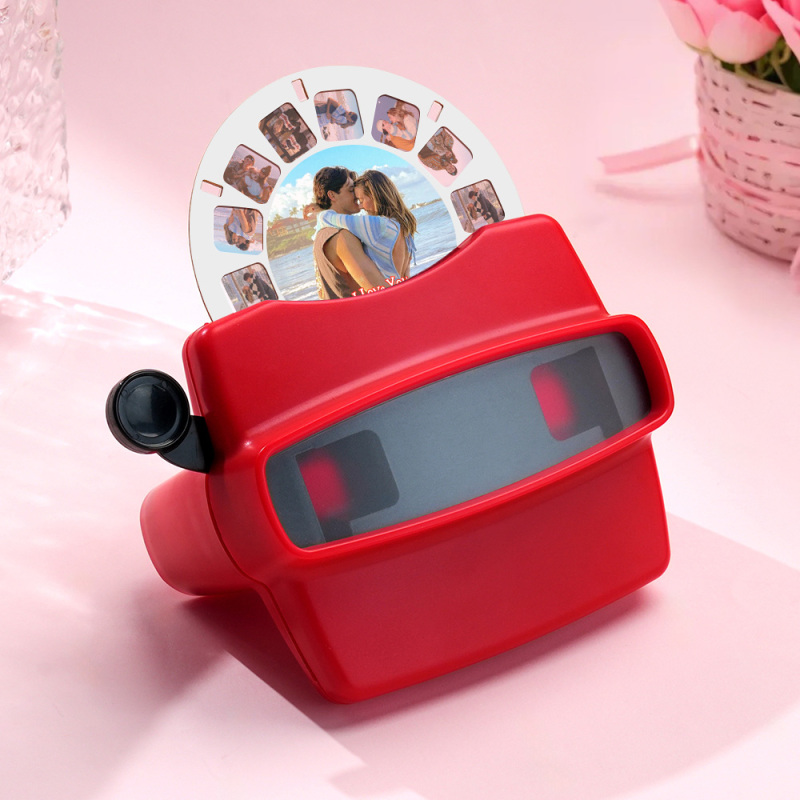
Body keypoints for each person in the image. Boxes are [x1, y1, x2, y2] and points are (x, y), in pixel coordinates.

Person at [315, 169, 416, 281]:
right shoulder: (402, 225)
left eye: (361, 200)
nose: (360, 206)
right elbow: (406, 274)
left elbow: (327, 218)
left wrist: (319, 209)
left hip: (389, 288)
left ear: (374, 196)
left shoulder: (381, 225)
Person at [310, 166, 395, 299]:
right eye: (351, 190)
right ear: (332, 195)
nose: (357, 194)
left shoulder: (321, 234)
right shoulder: (341, 236)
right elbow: (381, 291)